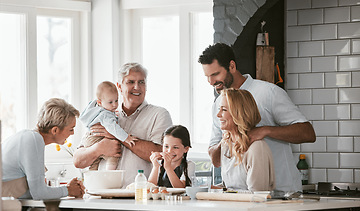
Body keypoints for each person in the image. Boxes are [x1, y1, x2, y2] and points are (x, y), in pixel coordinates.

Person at [198, 43, 316, 192]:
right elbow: (216, 160)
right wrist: (228, 138)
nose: (211, 82)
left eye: (215, 74)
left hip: (283, 193)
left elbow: (308, 133)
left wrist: (265, 131)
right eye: (207, 76)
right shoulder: (218, 105)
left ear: (232, 66)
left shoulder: (268, 93)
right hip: (243, 197)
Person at [73, 63, 173, 187]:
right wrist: (99, 148)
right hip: (101, 195)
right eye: (131, 82)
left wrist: (119, 136)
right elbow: (77, 160)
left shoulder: (159, 114)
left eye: (141, 82)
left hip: (140, 196)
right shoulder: (104, 114)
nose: (137, 87)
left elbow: (161, 155)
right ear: (119, 87)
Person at [2, 98, 85, 200]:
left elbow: (33, 192)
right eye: (71, 129)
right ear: (55, 130)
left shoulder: (28, 137)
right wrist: (68, 190)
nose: (72, 133)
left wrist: (66, 189)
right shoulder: (33, 139)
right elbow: (39, 194)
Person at [217, 89, 275, 191]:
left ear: (238, 113)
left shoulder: (257, 148)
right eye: (219, 109)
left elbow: (257, 196)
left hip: (249, 206)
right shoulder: (226, 144)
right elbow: (230, 187)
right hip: (233, 206)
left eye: (224, 110)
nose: (218, 114)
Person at [79, 81, 137, 170]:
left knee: (95, 162)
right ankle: (110, 173)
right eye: (110, 102)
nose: (114, 105)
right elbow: (113, 128)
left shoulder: (97, 111)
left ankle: (92, 174)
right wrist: (126, 138)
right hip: (96, 139)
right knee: (114, 156)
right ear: (99, 102)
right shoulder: (105, 114)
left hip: (89, 138)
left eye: (116, 100)